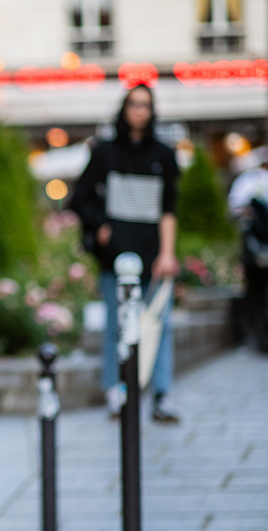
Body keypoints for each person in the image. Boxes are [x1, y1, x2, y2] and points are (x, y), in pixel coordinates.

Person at [69, 84, 181, 423]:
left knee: (159, 326)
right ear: (124, 108)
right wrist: (101, 225)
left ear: (152, 110)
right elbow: (80, 197)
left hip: (154, 256)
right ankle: (115, 391)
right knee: (115, 328)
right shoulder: (104, 152)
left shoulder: (164, 154)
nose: (139, 111)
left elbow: (169, 209)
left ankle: (161, 395)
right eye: (133, 104)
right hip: (115, 258)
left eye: (145, 105)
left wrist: (168, 253)